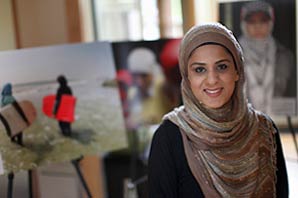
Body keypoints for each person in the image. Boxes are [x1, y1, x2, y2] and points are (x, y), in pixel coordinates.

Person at [148, 23, 288, 197]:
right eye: (200, 70)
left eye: (222, 67)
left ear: (237, 70)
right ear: (187, 77)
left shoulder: (265, 129)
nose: (212, 80)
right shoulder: (169, 137)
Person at [239, 1, 295, 114]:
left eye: (263, 20)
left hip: (278, 121)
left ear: (271, 22)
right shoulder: (232, 55)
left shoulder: (285, 57)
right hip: (243, 125)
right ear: (243, 24)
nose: (258, 26)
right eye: (252, 21)